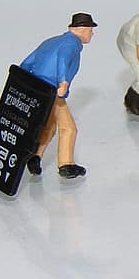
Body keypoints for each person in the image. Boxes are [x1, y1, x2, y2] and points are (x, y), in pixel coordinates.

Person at [19, 12, 97, 179]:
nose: (92, 34)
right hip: (51, 90)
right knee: (68, 128)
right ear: (82, 29)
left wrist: (22, 82)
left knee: (49, 126)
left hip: (37, 88)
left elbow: (27, 62)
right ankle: (66, 165)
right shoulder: (72, 43)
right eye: (91, 30)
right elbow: (62, 60)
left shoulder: (50, 41)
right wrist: (63, 83)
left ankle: (35, 157)